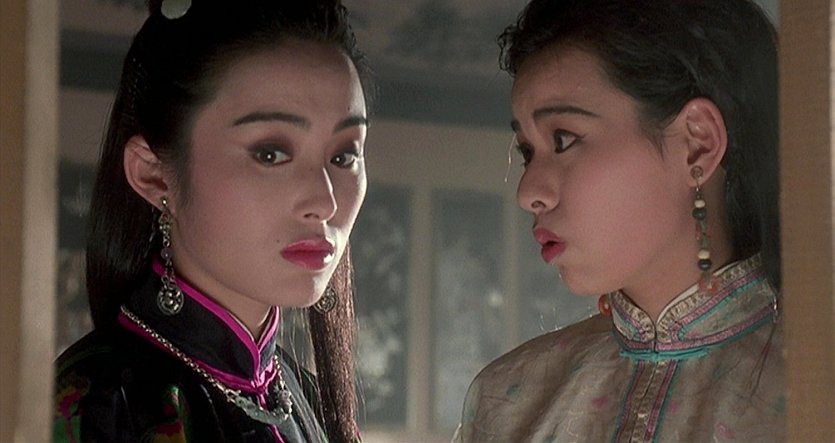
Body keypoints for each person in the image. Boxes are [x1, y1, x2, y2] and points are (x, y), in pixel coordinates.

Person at [455, 0, 782, 441]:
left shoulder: (814, 385)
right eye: (528, 152)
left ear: (697, 144)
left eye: (563, 139)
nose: (528, 191)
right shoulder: (506, 402)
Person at [53, 1, 372, 441]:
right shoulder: (100, 406)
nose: (325, 200)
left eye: (344, 156)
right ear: (153, 173)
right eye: (270, 154)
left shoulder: (306, 398)